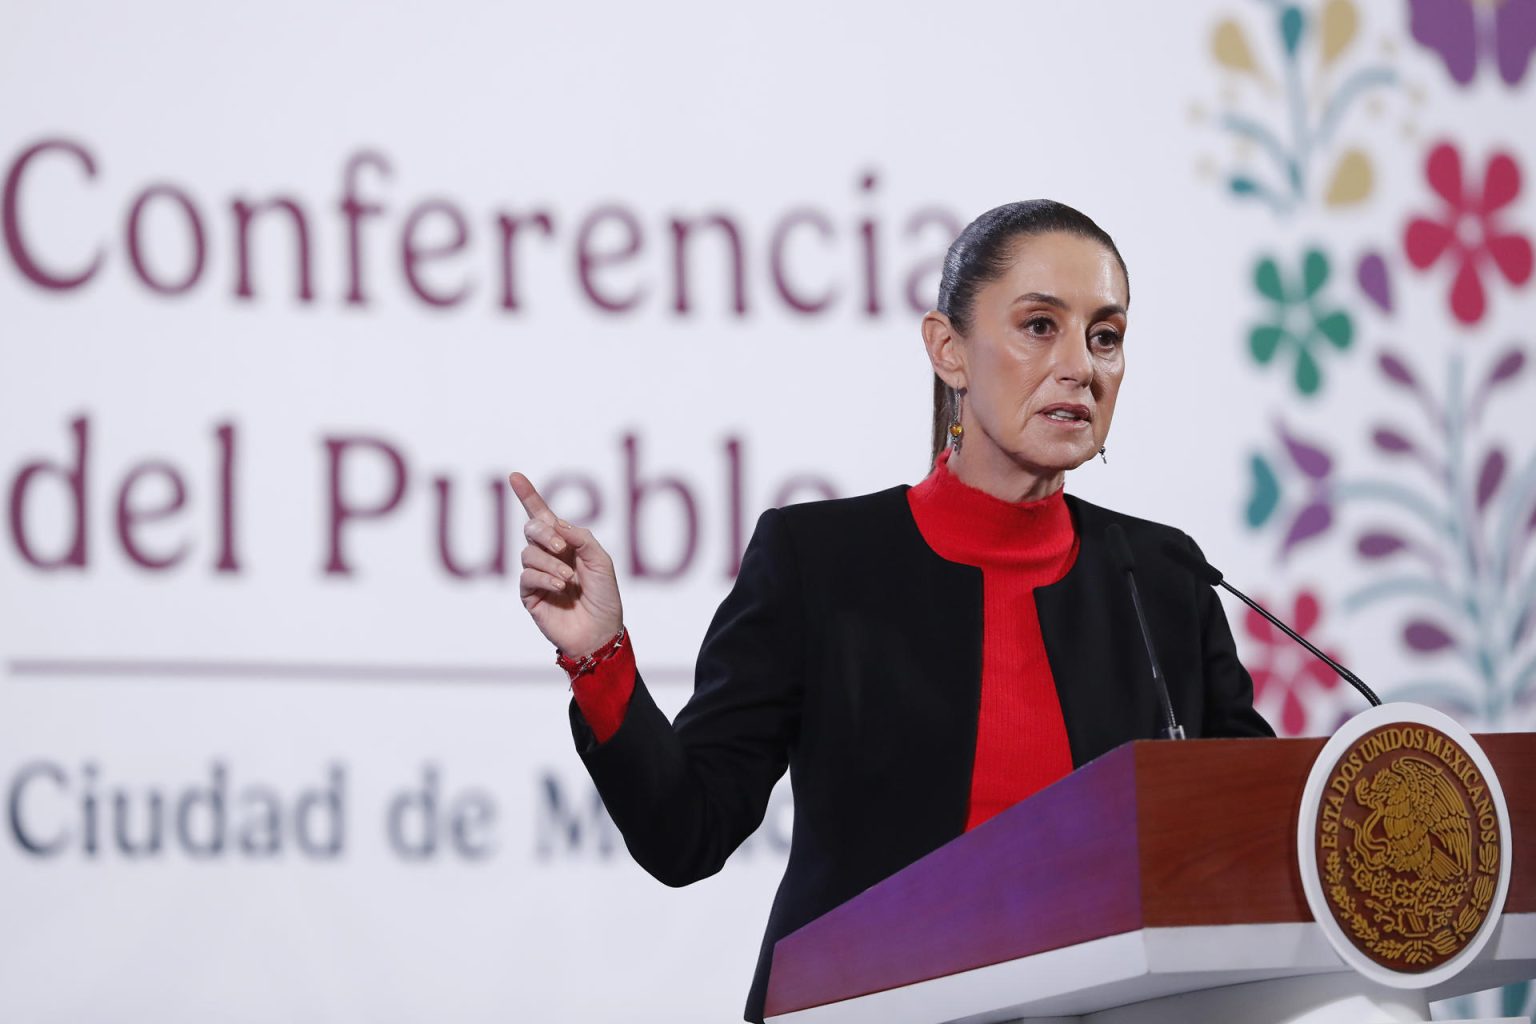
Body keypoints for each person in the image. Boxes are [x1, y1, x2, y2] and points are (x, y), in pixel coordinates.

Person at [508, 200, 1274, 1023]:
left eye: (1105, 336)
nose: (1079, 366)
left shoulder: (1163, 577)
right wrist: (601, 658)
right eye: (1039, 326)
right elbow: (685, 833)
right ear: (949, 350)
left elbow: (1255, 839)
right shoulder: (821, 561)